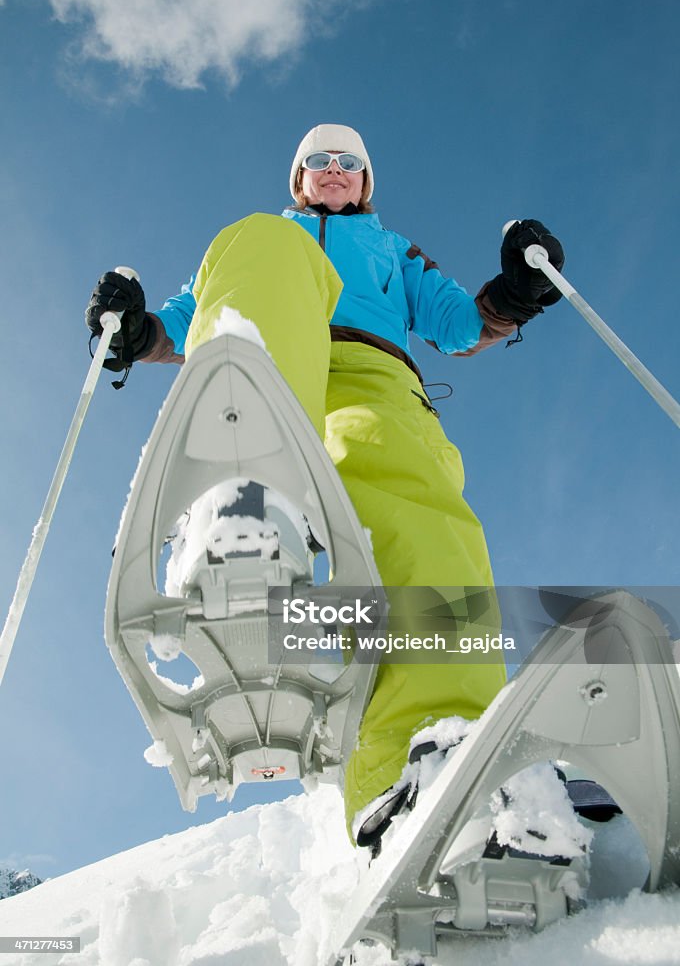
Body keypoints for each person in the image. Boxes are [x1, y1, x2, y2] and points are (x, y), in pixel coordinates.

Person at [86, 124, 565, 848]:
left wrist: (517, 290)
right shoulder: (262, 242)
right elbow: (181, 327)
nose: (334, 171)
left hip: (371, 376)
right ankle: (242, 516)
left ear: (364, 183)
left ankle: (433, 760)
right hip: (275, 349)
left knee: (412, 517)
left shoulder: (389, 248)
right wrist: (134, 329)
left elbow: (461, 323)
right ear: (300, 179)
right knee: (254, 251)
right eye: (319, 162)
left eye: (349, 164)